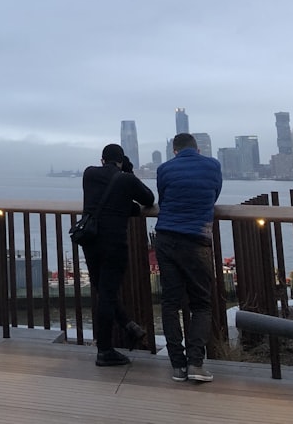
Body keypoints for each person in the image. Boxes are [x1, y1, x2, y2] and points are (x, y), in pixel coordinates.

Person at [155, 132, 223, 383]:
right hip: (197, 240)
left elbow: (163, 198)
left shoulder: (164, 169)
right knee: (201, 303)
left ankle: (177, 366)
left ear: (174, 150)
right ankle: (196, 362)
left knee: (171, 303)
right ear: (197, 149)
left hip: (166, 237)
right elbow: (213, 195)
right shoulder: (213, 166)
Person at [81, 145, 156, 367]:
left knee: (102, 290)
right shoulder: (125, 179)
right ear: (121, 161)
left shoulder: (88, 173)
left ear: (102, 159)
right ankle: (104, 350)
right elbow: (148, 199)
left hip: (89, 240)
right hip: (113, 242)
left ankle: (129, 326)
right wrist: (129, 173)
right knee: (108, 293)